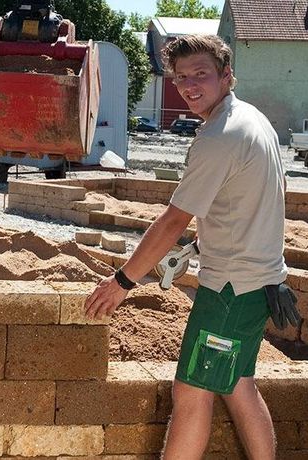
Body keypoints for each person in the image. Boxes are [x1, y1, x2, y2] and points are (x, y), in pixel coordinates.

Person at [84, 35, 295, 459]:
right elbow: (250, 197)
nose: (190, 85)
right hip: (261, 280)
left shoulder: (220, 136)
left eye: (201, 74)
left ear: (226, 75)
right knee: (237, 383)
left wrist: (123, 281)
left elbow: (172, 219)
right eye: (182, 78)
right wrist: (203, 242)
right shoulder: (251, 119)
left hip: (232, 292)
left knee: (193, 390)